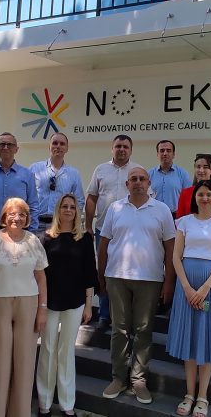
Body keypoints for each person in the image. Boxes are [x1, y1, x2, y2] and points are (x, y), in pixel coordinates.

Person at [98, 167, 175, 405]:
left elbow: (170, 248)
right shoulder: (115, 208)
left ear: (149, 183)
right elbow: (104, 244)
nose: (138, 182)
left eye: (142, 179)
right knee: (119, 330)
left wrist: (169, 282)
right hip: (117, 277)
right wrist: (101, 277)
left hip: (150, 279)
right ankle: (118, 378)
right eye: (133, 179)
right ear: (127, 184)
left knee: (143, 330)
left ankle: (139, 380)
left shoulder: (161, 210)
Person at [0, 198, 48, 417]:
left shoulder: (34, 241)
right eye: (12, 213)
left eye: (22, 214)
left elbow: (41, 278)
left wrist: (42, 309)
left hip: (28, 304)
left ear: (27, 218)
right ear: (4, 217)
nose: (17, 218)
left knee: (24, 364)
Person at [166, 180, 211, 417]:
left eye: (209, 195)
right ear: (194, 197)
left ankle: (202, 396)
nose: (205, 198)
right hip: (186, 286)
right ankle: (189, 394)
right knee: (190, 336)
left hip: (210, 287)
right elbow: (176, 257)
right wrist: (186, 287)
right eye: (201, 194)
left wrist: (204, 288)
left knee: (206, 336)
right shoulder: (184, 222)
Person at [36, 193, 98, 416]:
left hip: (75, 302)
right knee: (48, 350)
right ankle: (44, 403)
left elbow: (89, 274)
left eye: (72, 207)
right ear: (58, 210)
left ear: (77, 212)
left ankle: (67, 404)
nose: (69, 210)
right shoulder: (45, 239)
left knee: (66, 352)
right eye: (65, 206)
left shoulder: (84, 239)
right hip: (50, 302)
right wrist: (40, 305)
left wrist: (89, 304)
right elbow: (39, 275)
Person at [86, 134, 143, 330]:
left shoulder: (136, 171)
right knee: (103, 270)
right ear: (112, 149)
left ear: (131, 150)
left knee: (127, 273)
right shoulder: (101, 170)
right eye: (118, 146)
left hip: (130, 233)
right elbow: (92, 197)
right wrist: (88, 225)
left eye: (125, 147)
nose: (122, 149)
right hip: (103, 230)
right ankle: (104, 315)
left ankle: (125, 316)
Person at [0, 132, 41, 241]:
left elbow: (33, 205)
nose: (6, 147)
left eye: (10, 145)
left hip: (17, 229)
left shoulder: (27, 175)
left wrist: (32, 232)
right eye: (2, 144)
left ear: (16, 149)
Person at [29, 133, 84, 232]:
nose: (58, 146)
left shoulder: (74, 174)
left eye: (62, 144)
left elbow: (79, 200)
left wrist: (72, 222)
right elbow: (26, 194)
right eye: (55, 143)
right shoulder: (35, 168)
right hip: (36, 223)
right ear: (49, 146)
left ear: (67, 148)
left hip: (60, 225)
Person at [176, 154, 211, 219]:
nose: (201, 170)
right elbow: (180, 219)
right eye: (198, 167)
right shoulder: (185, 193)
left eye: (205, 167)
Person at [148, 139, 190, 217]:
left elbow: (188, 198)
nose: (165, 153)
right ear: (157, 154)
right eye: (162, 151)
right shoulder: (149, 174)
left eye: (168, 150)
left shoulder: (183, 174)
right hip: (154, 216)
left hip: (176, 216)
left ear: (173, 154)